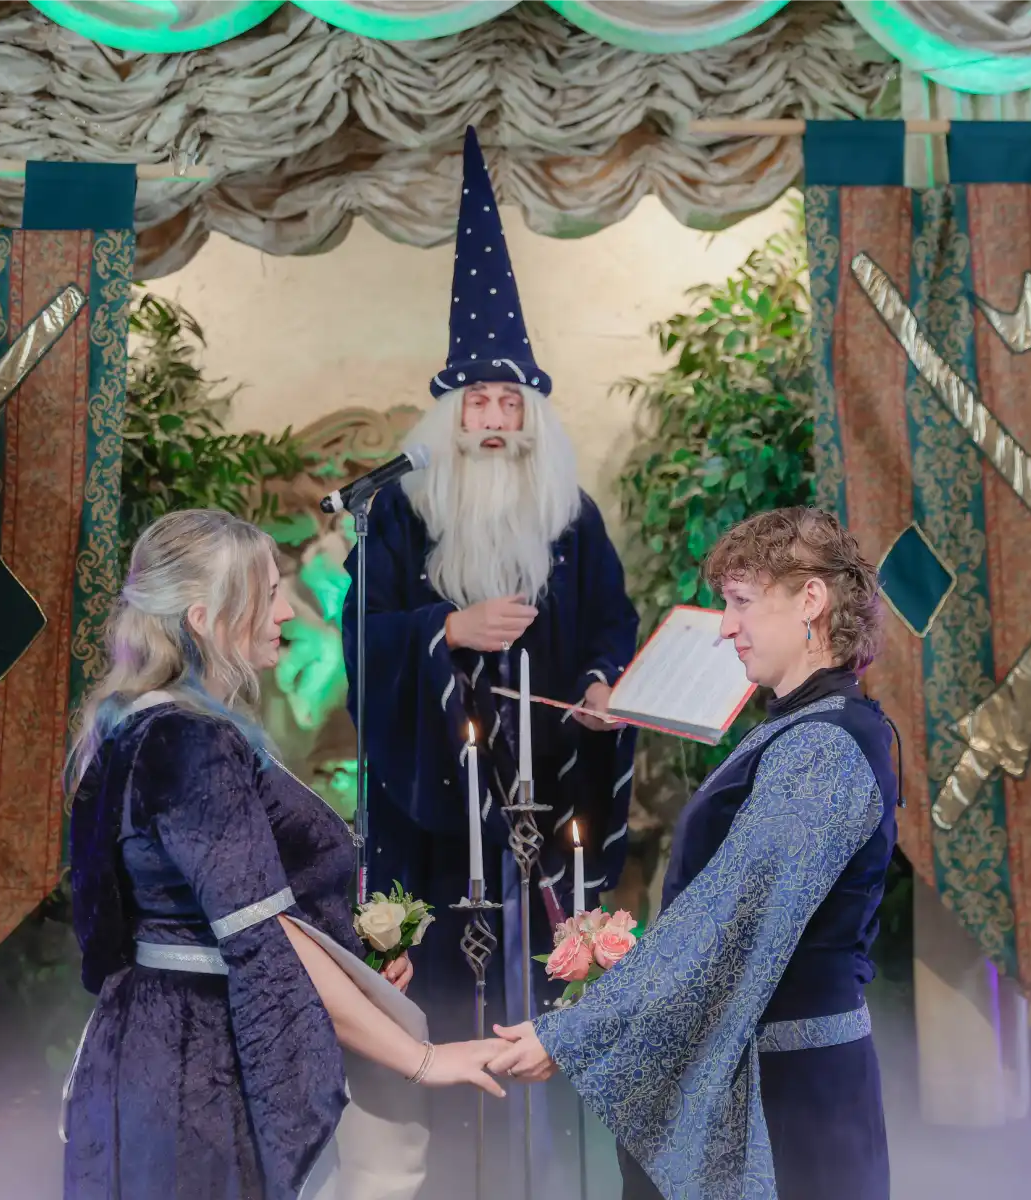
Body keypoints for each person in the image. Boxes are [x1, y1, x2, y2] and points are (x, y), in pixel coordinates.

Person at [342, 126, 638, 1195]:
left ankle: (545, 1173)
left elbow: (611, 624)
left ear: (534, 415)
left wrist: (601, 686)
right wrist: (445, 632)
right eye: (479, 402)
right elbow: (360, 637)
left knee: (550, 997)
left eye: (513, 404)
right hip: (437, 818)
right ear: (451, 412)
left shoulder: (572, 517)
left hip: (550, 802)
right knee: (444, 1003)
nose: (497, 420)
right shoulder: (399, 516)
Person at [64, 509, 506, 1200]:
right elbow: (263, 934)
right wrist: (422, 1059)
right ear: (206, 618)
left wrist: (350, 954)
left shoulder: (140, 722)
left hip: (157, 1039)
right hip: (200, 1062)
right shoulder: (192, 743)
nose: (287, 612)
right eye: (269, 593)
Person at [488, 507, 897, 1200]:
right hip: (779, 1077)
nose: (726, 627)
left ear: (811, 600)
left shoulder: (824, 747)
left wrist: (574, 1030)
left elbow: (727, 919)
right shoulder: (805, 727)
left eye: (741, 602)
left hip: (795, 1100)